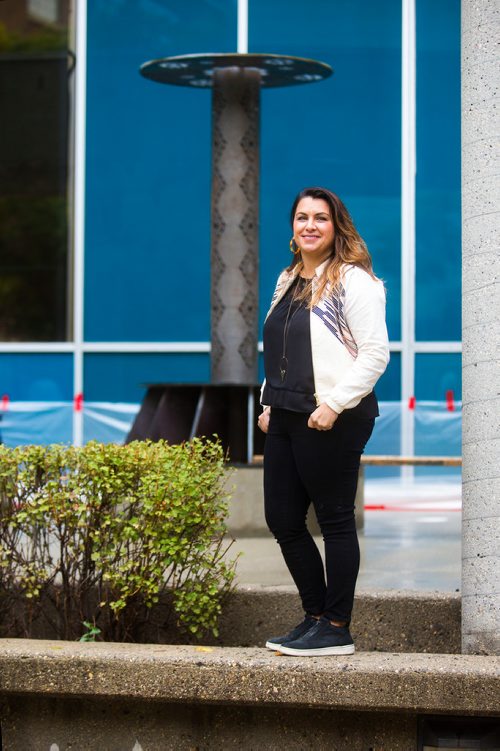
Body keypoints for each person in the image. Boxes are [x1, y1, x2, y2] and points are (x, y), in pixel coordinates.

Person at [257, 186, 389, 656]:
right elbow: (278, 347)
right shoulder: (287, 280)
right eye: (301, 217)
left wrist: (334, 404)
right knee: (282, 518)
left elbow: (375, 354)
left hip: (334, 416)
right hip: (288, 414)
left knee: (334, 519)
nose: (309, 225)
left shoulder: (354, 281)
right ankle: (314, 616)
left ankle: (337, 625)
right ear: (293, 228)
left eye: (320, 218)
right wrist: (269, 401)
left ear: (337, 227)